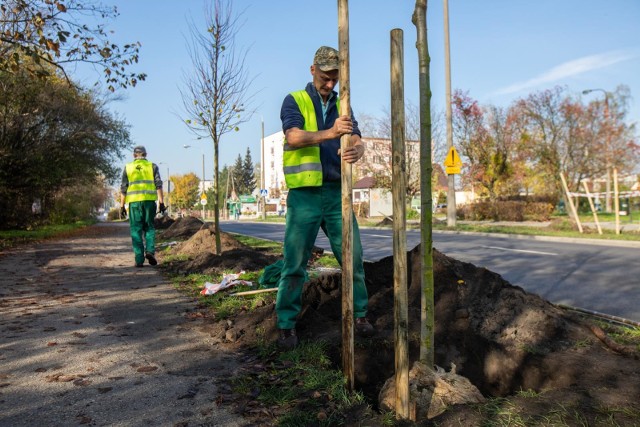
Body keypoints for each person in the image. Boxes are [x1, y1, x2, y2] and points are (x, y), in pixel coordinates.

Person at [275, 46, 374, 350]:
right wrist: (330, 133)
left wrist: (358, 148)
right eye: (326, 77)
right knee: (294, 263)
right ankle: (286, 325)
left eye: (335, 78)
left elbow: (354, 134)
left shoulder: (343, 104)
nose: (330, 84)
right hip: (304, 196)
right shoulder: (295, 100)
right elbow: (293, 136)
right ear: (313, 70)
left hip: (336, 194)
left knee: (353, 257)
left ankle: (359, 315)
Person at [120, 145, 166, 267]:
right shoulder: (152, 166)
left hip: (134, 203)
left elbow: (123, 188)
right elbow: (158, 185)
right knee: (149, 228)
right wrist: (161, 203)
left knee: (136, 230)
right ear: (146, 155)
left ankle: (139, 259)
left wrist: (121, 206)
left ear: (134, 155)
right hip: (149, 202)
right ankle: (150, 251)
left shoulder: (128, 167)